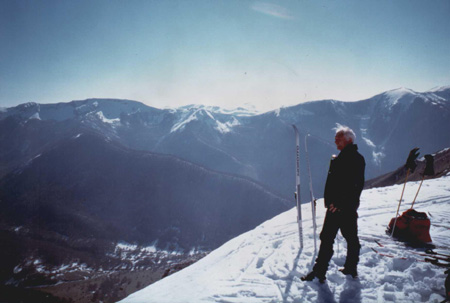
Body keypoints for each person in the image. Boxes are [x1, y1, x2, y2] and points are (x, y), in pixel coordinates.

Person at [302, 125, 365, 283]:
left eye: (339, 137)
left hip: (340, 207)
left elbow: (354, 185)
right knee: (348, 238)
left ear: (349, 140)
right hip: (341, 206)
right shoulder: (347, 157)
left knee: (330, 237)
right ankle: (350, 269)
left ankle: (320, 272)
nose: (335, 140)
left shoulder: (352, 159)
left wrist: (338, 203)